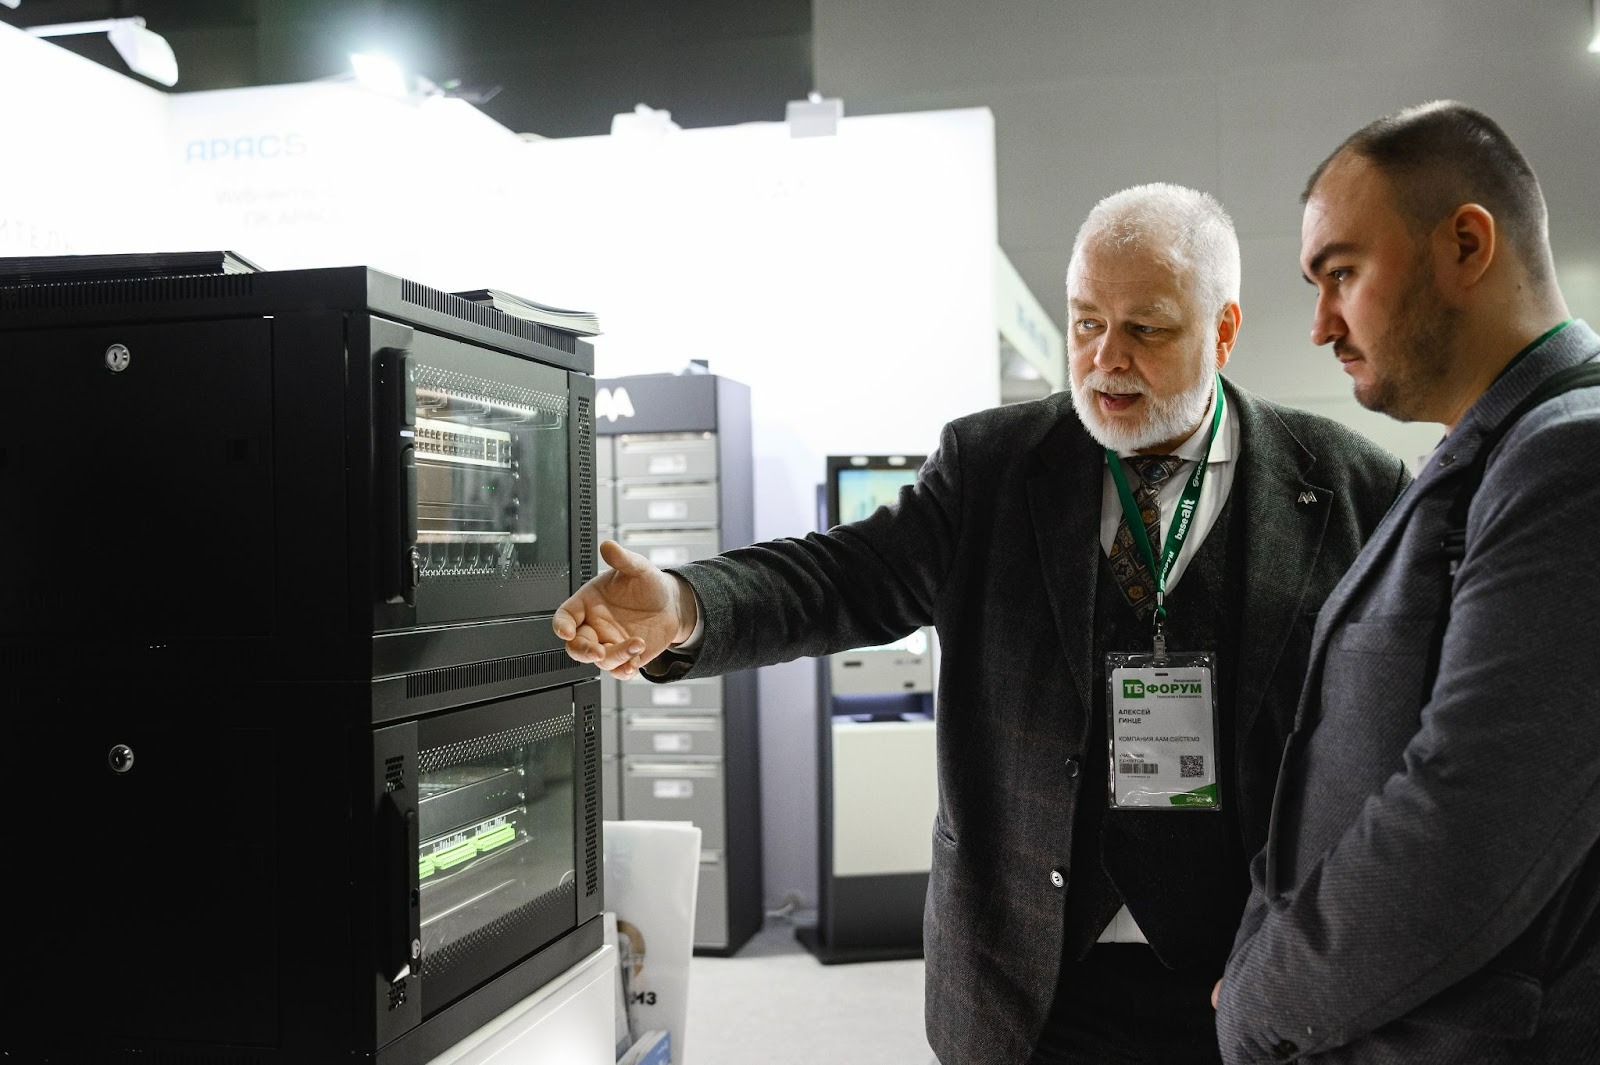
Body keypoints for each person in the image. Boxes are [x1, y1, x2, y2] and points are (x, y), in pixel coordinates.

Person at [558, 183, 1410, 1065]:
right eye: (1086, 323)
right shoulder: (993, 466)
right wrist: (688, 603)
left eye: (1145, 329)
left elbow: (1399, 738)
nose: (1105, 359)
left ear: (1223, 330)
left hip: (1247, 977)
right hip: (1028, 976)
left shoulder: (1352, 488)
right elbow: (842, 577)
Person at [1214, 101, 1600, 1063]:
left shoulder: (1571, 457)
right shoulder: (1481, 455)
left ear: (1466, 244)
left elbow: (1466, 827)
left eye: (1342, 272)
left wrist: (1258, 1004)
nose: (1320, 325)